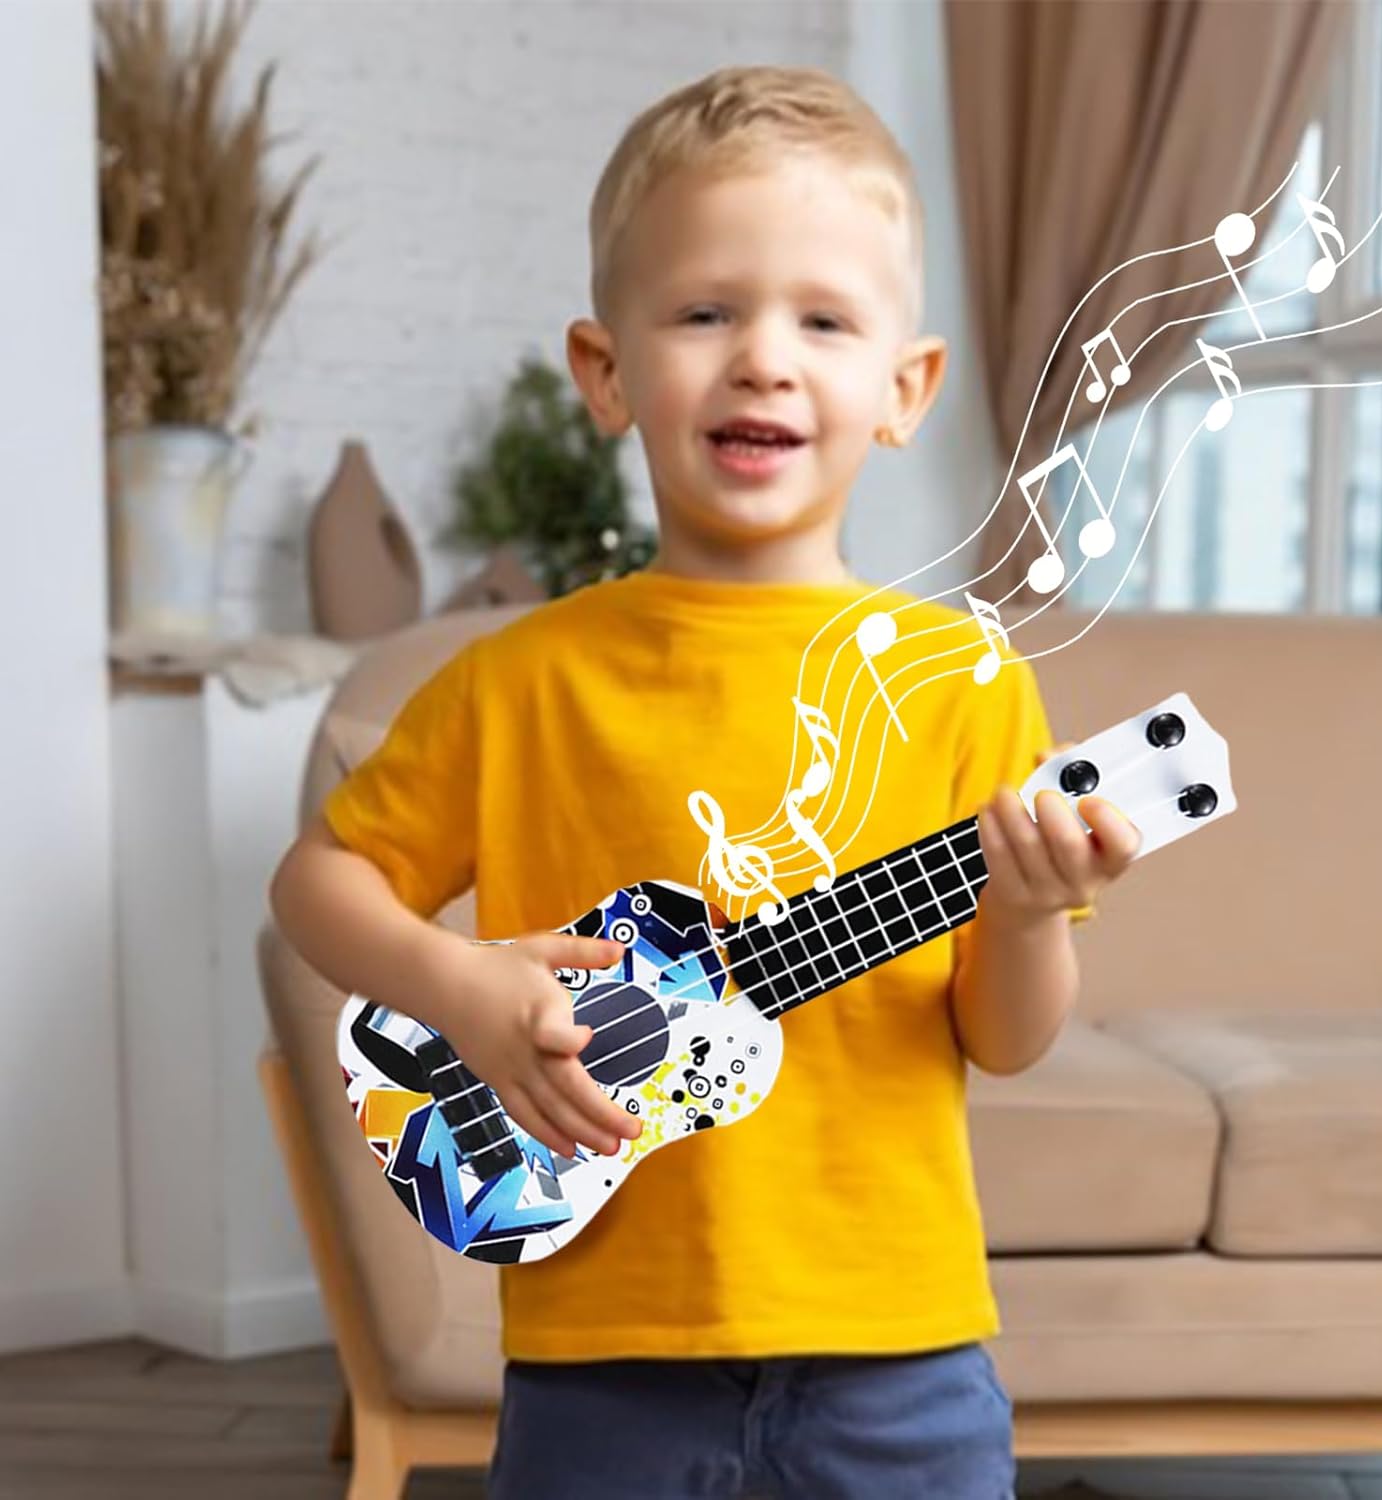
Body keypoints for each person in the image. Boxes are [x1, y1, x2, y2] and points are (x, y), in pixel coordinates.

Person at [269, 63, 1140, 1500]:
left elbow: (1005, 1039)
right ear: (606, 371)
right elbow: (317, 882)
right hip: (599, 1358)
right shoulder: (519, 679)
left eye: (823, 320)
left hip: (899, 1347)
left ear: (906, 387)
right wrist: (459, 987)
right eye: (705, 313)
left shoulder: (963, 680)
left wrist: (1034, 911)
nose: (763, 361)